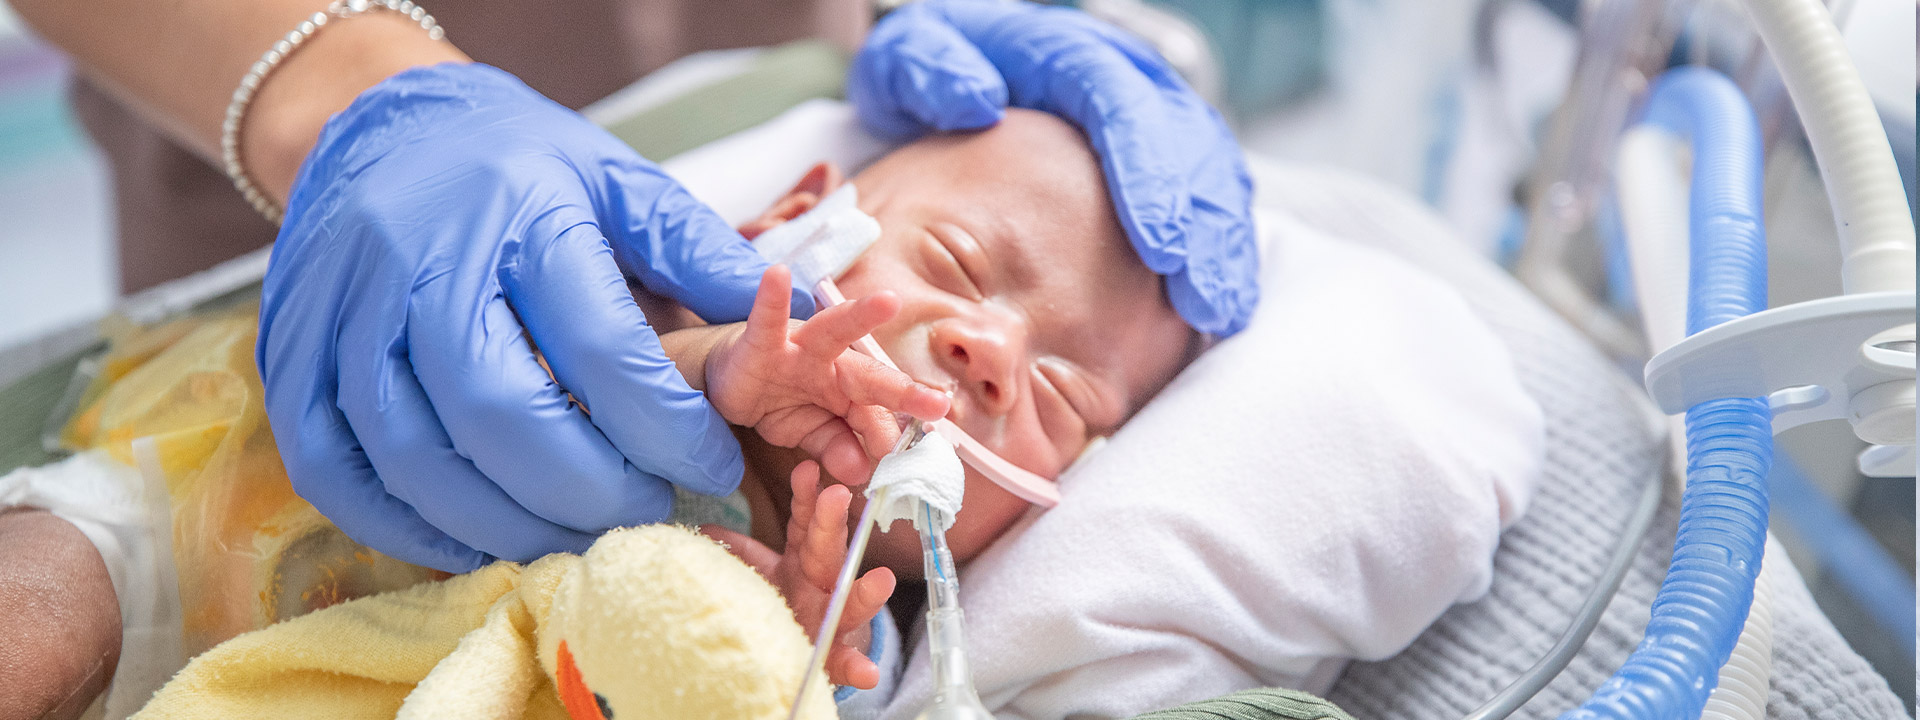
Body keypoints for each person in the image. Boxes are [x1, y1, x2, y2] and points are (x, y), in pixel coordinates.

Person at [8, 0, 1259, 574]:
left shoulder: (884, 597)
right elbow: (609, 375)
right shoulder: (681, 318)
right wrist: (333, 85)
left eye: (1068, 400)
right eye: (954, 267)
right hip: (286, 233)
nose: (995, 350)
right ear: (788, 224)